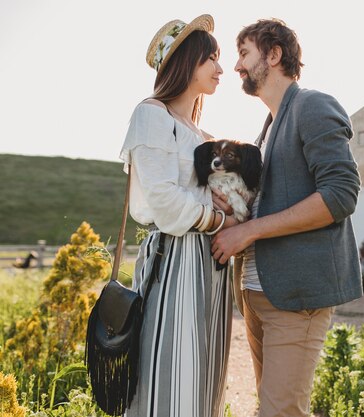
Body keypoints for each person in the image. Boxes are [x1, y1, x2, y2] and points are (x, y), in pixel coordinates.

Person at [210, 18, 363, 417]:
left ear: (273, 54)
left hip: (297, 298)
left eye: (244, 53)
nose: (237, 66)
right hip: (259, 296)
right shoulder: (266, 127)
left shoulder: (312, 106)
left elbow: (341, 194)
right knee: (275, 408)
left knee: (280, 413)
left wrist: (249, 231)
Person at [119, 14, 237, 417]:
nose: (221, 69)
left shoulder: (202, 134)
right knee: (172, 375)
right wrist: (222, 221)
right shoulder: (152, 115)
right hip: (175, 259)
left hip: (212, 264)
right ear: (186, 62)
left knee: (204, 377)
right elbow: (167, 205)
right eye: (211, 59)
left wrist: (228, 212)